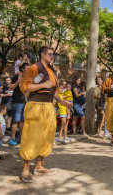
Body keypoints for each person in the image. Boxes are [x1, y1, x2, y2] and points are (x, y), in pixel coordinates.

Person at [19, 46, 73, 183]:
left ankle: (39, 165)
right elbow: (24, 87)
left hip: (49, 106)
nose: (52, 56)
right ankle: (25, 169)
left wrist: (62, 102)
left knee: (46, 136)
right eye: (50, 54)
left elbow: (54, 91)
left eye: (53, 54)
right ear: (42, 54)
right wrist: (42, 85)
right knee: (31, 136)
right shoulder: (33, 68)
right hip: (35, 105)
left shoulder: (52, 70)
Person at [9, 63, 31, 146]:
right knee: (15, 121)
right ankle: (13, 138)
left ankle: (21, 138)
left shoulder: (29, 77)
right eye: (27, 68)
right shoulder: (17, 77)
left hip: (25, 102)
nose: (29, 69)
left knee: (22, 121)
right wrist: (18, 81)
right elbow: (10, 87)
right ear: (23, 69)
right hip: (17, 102)